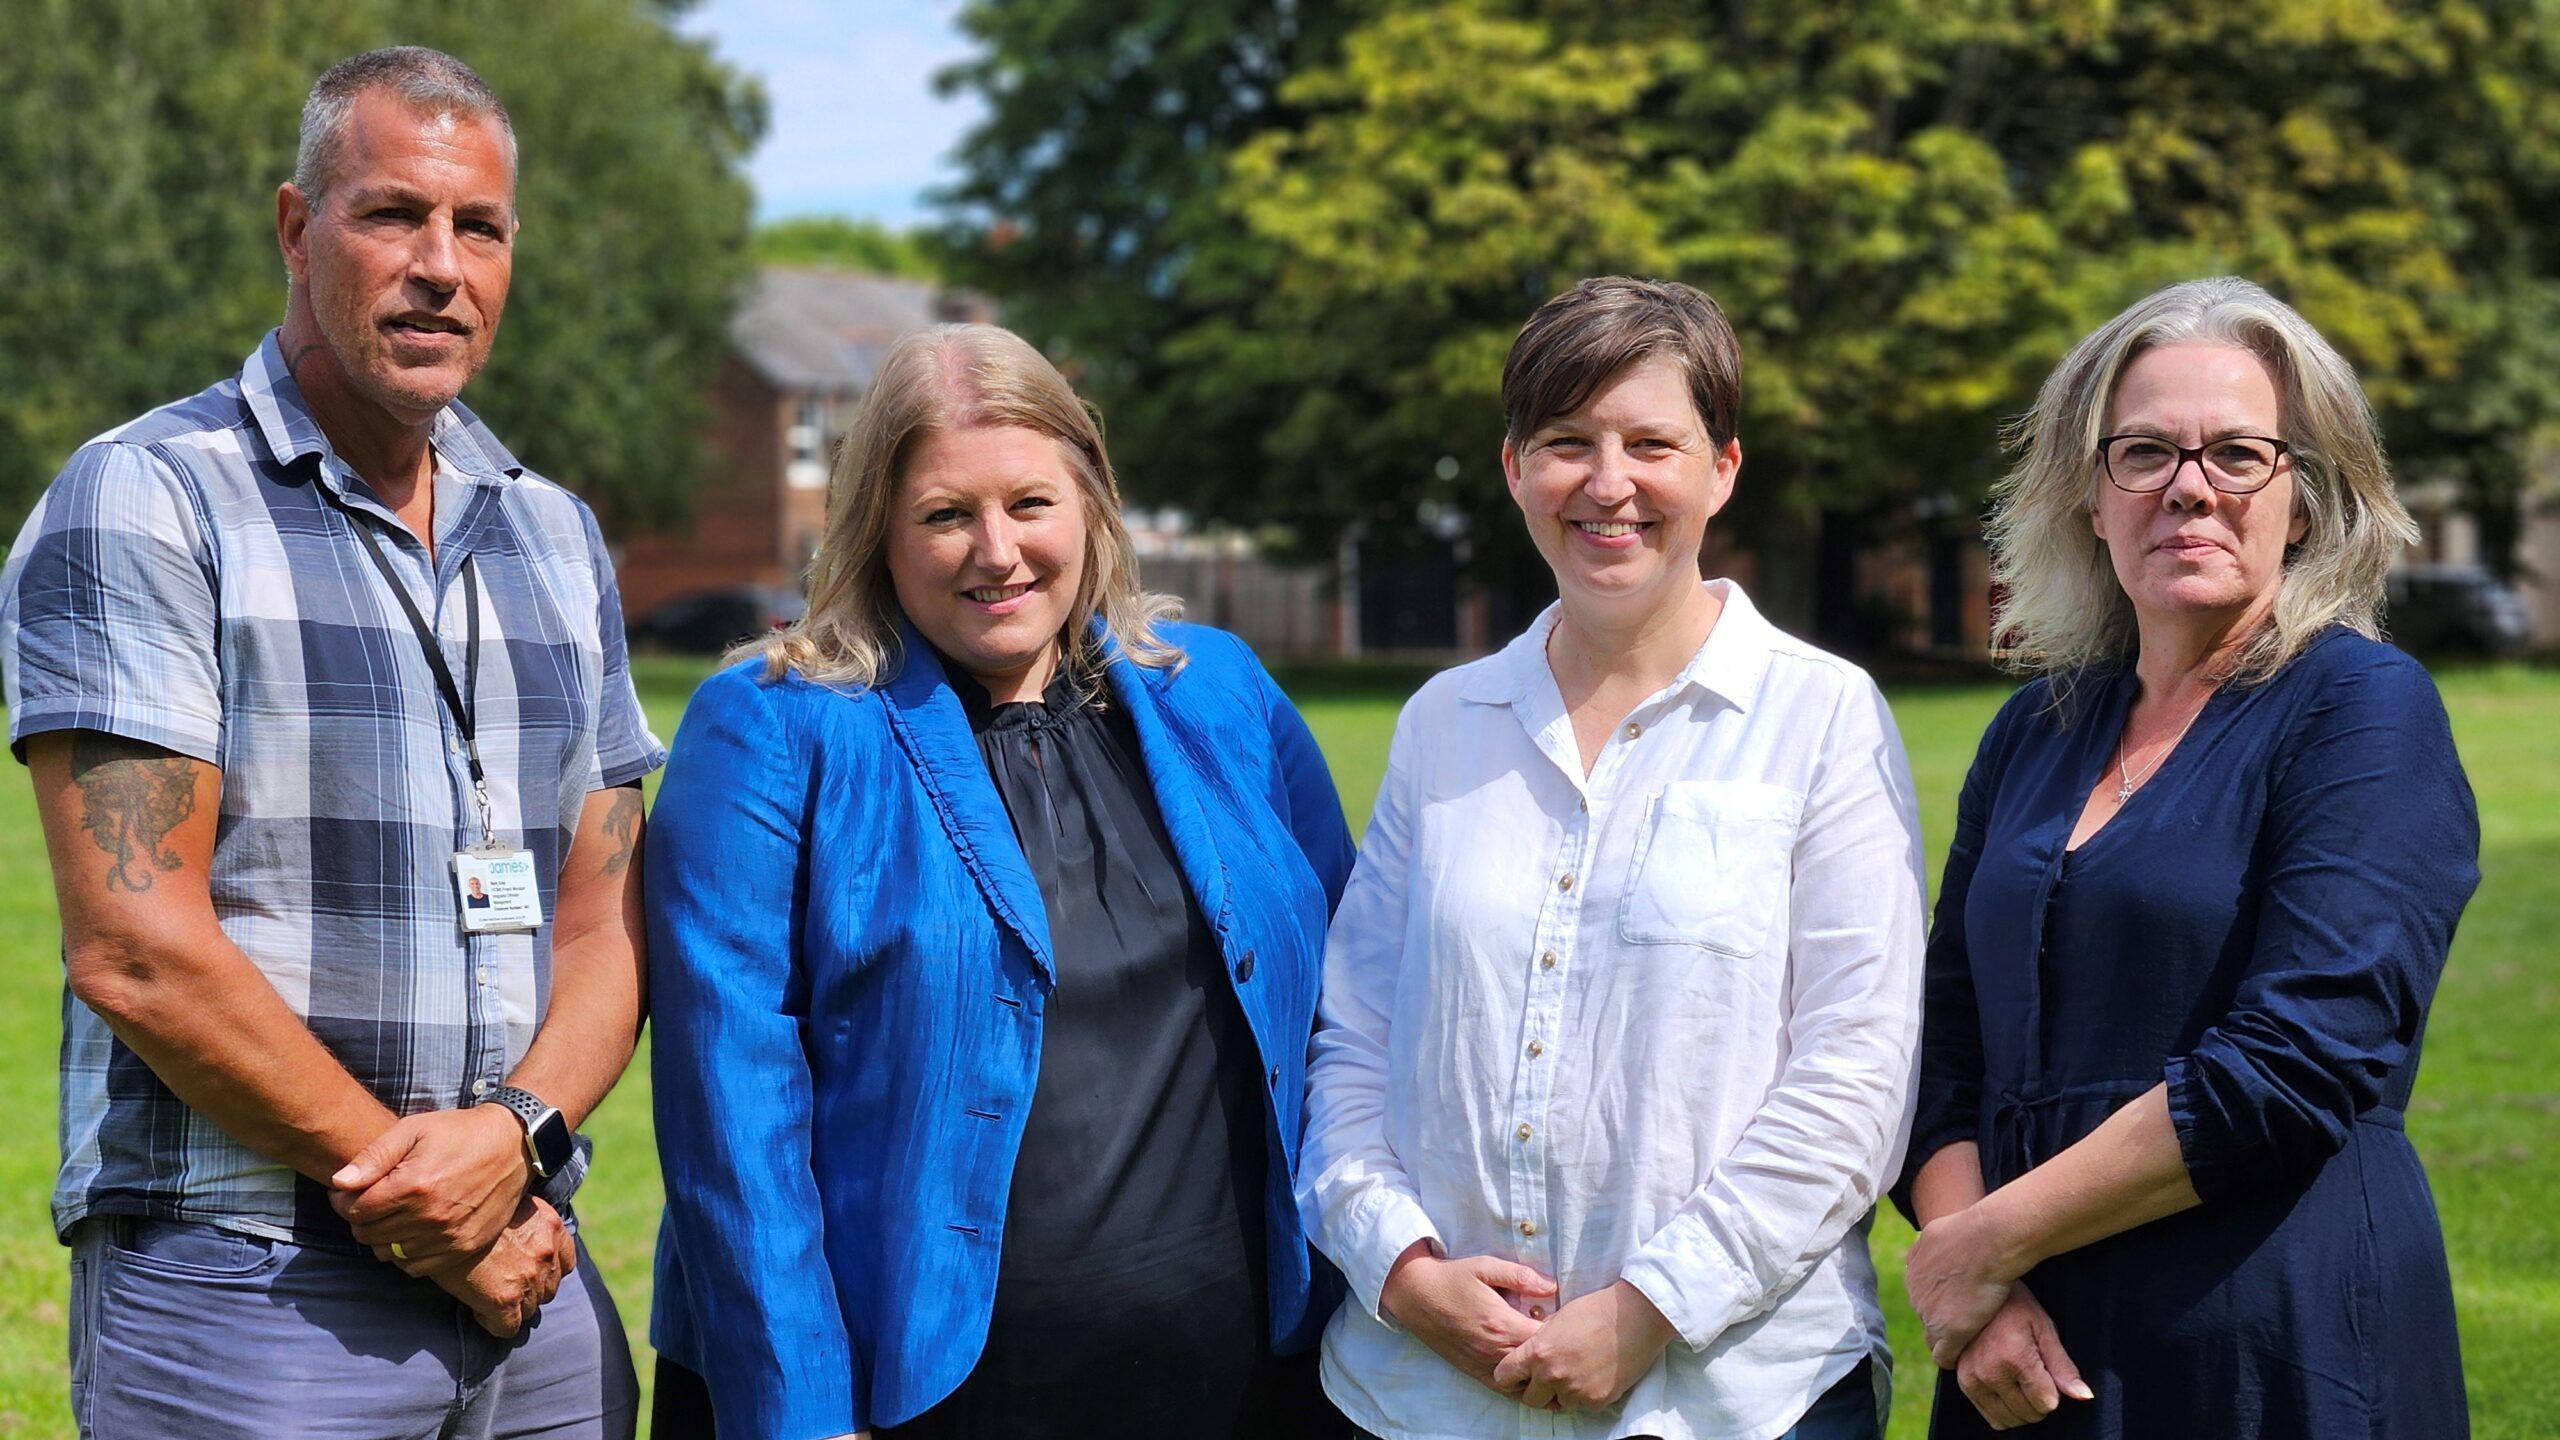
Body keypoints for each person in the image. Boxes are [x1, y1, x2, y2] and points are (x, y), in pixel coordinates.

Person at [0, 47, 656, 1439]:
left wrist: (515, 1147)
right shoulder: (148, 502)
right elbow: (137, 948)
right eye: (391, 215)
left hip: (530, 1277)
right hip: (251, 1277)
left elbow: (608, 924)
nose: (440, 264)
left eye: (477, 227)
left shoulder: (554, 534)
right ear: (297, 228)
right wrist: (438, 1214)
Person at [645, 322, 1359, 1440]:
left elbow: (1350, 1005)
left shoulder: (1218, 690)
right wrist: (803, 1414)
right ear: (876, 527)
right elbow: (730, 1119)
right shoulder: (773, 728)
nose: (996, 550)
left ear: (1090, 503)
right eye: (944, 514)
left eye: (1029, 503)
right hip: (923, 1401)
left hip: (1245, 1379)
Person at [1300, 276, 1926, 1440]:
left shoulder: (1821, 715)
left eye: (1652, 443)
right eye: (1566, 444)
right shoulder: (1445, 722)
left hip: (1732, 1399)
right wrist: (1397, 1267)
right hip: (1423, 1398)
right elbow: (1352, 1044)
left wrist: (1650, 1308)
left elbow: (1857, 1075)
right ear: (1511, 469)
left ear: (1722, 468)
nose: (1608, 484)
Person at [1898, 276, 2474, 1437]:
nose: (2187, 489)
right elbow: (1940, 1040)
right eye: (2144, 453)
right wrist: (1986, 1292)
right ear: (2089, 497)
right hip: (2022, 1358)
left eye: (2237, 455)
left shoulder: (2363, 711)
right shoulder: (2036, 728)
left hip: (2268, 1342)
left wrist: (1982, 1244)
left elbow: (2298, 1063)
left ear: (2304, 500)